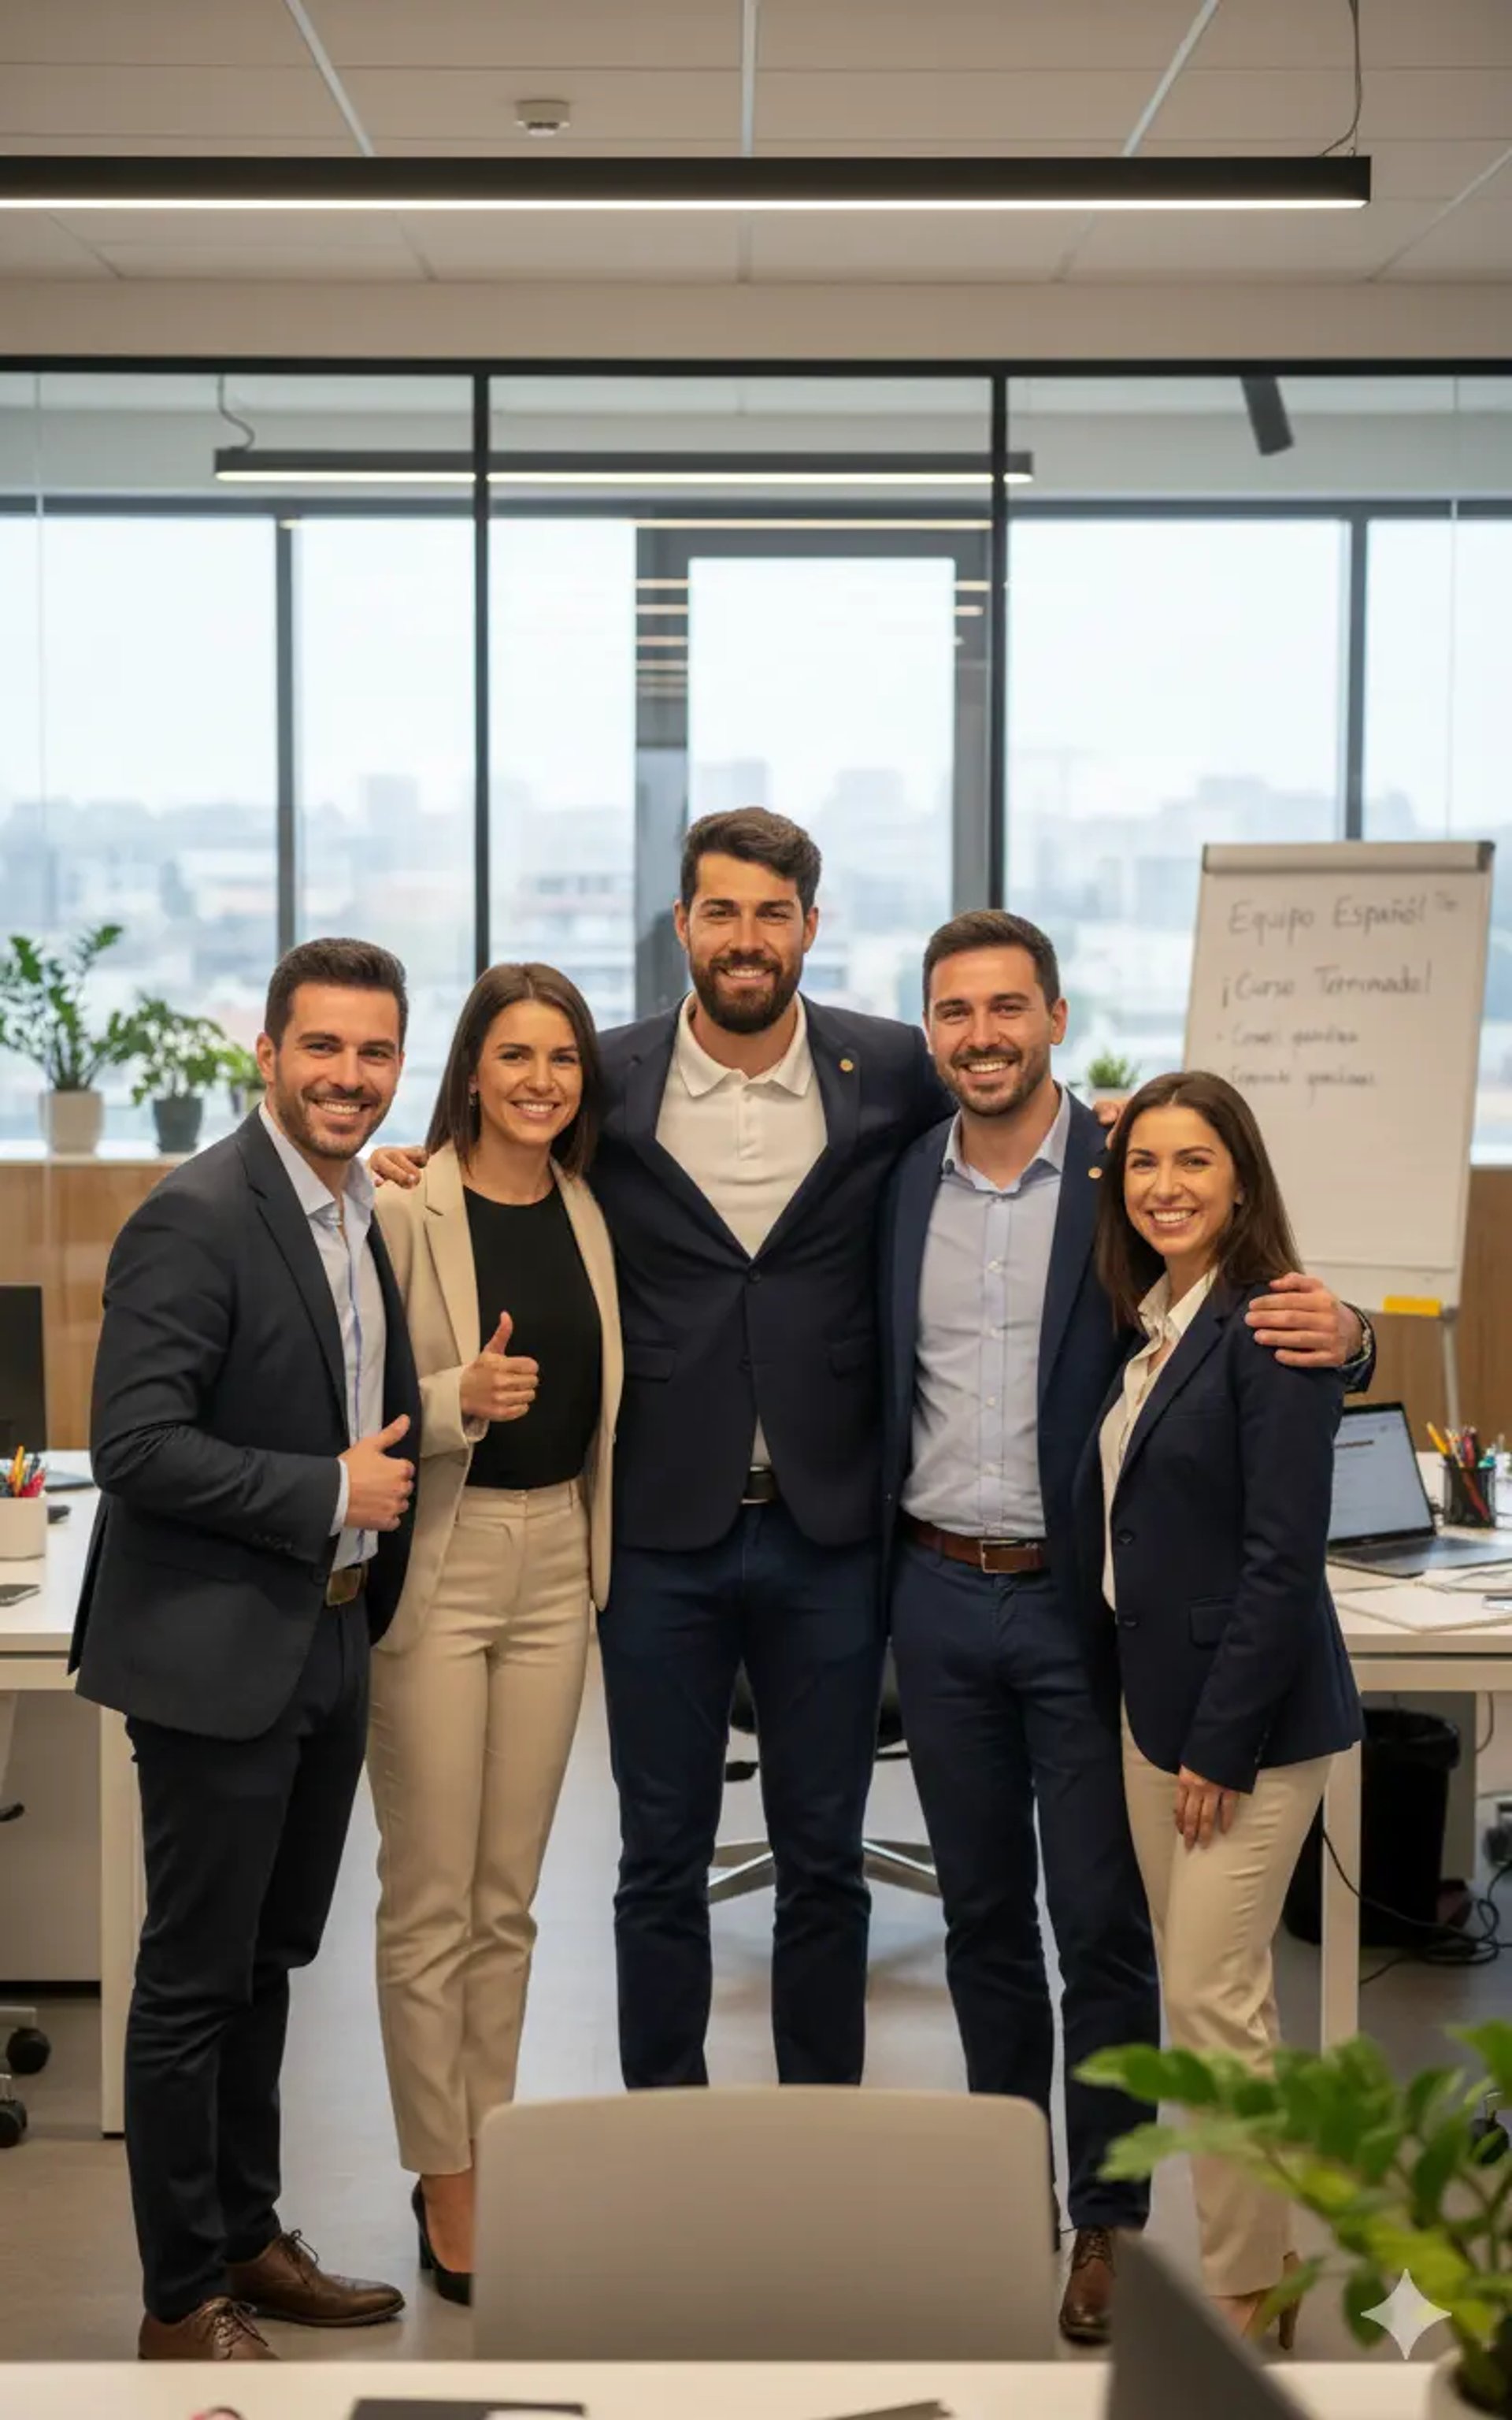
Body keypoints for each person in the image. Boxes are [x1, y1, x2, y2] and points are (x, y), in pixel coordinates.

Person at [372, 807, 946, 2090]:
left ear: (811, 925)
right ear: (682, 923)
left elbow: (1009, 1118)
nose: (747, 938)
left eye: (773, 913)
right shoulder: (609, 1076)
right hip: (655, 1531)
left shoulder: (891, 1069)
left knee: (825, 1859)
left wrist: (1112, 1124)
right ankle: (664, 2133)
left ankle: (824, 2132)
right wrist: (410, 1160)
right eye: (721, 911)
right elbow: (501, 1154)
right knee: (658, 1859)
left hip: (827, 1527)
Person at [877, 910, 1373, 2346]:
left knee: (1101, 1924)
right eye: (955, 1010)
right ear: (928, 1030)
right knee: (979, 1917)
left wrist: (1351, 1336)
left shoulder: (1120, 1171)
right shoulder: (898, 1176)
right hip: (933, 1590)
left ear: (1055, 1016)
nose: (983, 1034)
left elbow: (1266, 1326)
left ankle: (1109, 2217)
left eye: (1009, 1007)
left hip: (1077, 1611)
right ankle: (1002, 2194)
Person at [71, 938, 420, 2363]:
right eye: (322, 1047)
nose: (349, 1075)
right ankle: (179, 2300)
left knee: (269, 1960)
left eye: (376, 1051)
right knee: (193, 1979)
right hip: (215, 1655)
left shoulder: (355, 1210)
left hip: (326, 1638)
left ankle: (246, 2236)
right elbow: (136, 1445)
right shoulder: (196, 1213)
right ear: (266, 1054)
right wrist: (330, 1489)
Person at [1073, 1070, 1362, 2342]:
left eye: (1195, 1161)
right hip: (1157, 1711)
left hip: (1243, 1729)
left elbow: (1281, 1562)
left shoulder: (1275, 1325)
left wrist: (1222, 1746)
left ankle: (1247, 2289)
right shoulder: (1156, 1319)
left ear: (1242, 1180)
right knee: (1218, 1999)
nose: (1166, 1186)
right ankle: (1266, 2256)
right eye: (1144, 1163)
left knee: (1204, 2002)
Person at [368, 963, 621, 2303]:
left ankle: (491, 2138)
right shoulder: (404, 1206)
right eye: (515, 1056)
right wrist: (452, 1394)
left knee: (507, 1900)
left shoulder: (587, 1205)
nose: (539, 1081)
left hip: (559, 1555)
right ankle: (444, 2170)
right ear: (471, 1068)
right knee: (430, 1896)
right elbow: (340, 1391)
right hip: (444, 1560)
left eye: (562, 1059)